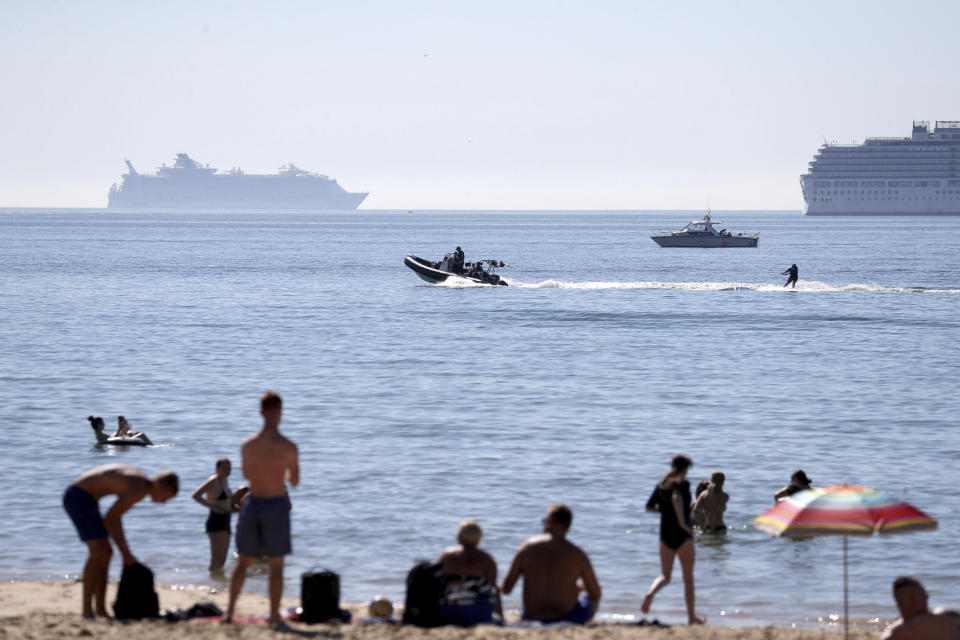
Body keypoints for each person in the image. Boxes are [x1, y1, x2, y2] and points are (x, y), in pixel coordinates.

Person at [223, 391, 299, 626]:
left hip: (253, 502)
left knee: (243, 561)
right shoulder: (288, 446)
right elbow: (294, 480)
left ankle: (229, 614)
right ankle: (275, 616)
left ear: (261, 413)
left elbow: (247, 474)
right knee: (276, 564)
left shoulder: (248, 445)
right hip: (276, 503)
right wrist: (282, 470)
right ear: (281, 413)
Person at [62, 464, 178, 618]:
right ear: (160, 485)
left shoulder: (141, 483)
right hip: (78, 497)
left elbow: (113, 519)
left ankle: (100, 610)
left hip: (85, 497)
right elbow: (110, 519)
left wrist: (125, 552)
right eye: (166, 497)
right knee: (99, 551)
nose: (164, 502)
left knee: (106, 552)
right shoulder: (139, 489)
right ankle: (86, 611)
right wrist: (126, 554)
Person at [501, 503, 601, 624]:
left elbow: (507, 588)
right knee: (590, 599)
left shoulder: (527, 547)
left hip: (531, 616)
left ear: (548, 522)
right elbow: (595, 593)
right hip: (567, 617)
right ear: (568, 527)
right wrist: (575, 588)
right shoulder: (578, 554)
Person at [641, 454, 703, 624]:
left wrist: (664, 512)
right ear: (684, 469)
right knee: (688, 579)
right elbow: (676, 498)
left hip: (665, 535)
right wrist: (683, 523)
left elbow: (648, 507)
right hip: (683, 536)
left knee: (665, 576)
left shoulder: (661, 486)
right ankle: (691, 618)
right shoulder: (682, 484)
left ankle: (651, 593)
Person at [437, 519, 502, 625]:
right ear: (479, 539)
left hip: (450, 611)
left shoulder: (447, 555)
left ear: (459, 537)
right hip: (478, 612)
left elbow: (438, 583)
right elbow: (493, 588)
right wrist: (500, 616)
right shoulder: (487, 559)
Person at [192, 458, 242, 571]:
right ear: (217, 469)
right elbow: (196, 495)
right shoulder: (213, 481)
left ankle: (217, 583)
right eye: (224, 468)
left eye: (229, 468)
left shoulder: (224, 480)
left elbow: (228, 503)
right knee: (216, 559)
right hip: (216, 520)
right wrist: (211, 506)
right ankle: (212, 585)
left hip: (226, 519)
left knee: (223, 559)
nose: (227, 470)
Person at [881, 576, 960, 639]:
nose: (915, 602)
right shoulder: (896, 634)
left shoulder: (946, 617)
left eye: (919, 596)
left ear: (926, 597)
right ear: (898, 603)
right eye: (909, 598)